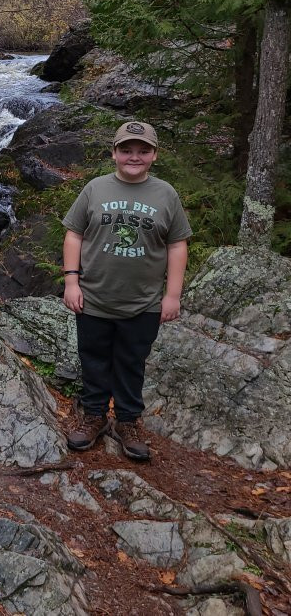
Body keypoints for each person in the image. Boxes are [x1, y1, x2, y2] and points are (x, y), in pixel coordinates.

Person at [61, 121, 192, 461]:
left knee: (132, 363)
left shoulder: (166, 195)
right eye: (127, 149)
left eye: (143, 150)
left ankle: (127, 421)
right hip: (94, 298)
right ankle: (93, 416)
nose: (134, 156)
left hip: (143, 303)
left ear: (154, 155)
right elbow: (74, 234)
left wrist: (172, 295)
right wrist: (72, 282)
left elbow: (177, 244)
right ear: (114, 153)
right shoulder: (94, 189)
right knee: (94, 361)